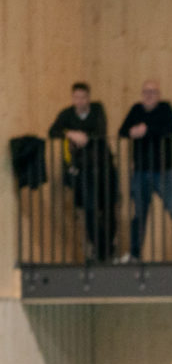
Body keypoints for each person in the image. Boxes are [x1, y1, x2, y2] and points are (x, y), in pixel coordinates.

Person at [117, 80, 172, 263]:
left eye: (152, 92)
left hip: (162, 171)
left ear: (159, 94)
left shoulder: (165, 109)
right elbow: (122, 131)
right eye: (145, 92)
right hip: (140, 172)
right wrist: (133, 131)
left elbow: (171, 129)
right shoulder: (136, 110)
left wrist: (147, 130)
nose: (148, 95)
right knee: (139, 214)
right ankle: (135, 254)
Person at [48, 82, 118, 261]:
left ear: (88, 97)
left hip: (104, 167)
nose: (79, 101)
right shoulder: (67, 114)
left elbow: (98, 131)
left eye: (83, 97)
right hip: (84, 169)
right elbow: (52, 131)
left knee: (108, 208)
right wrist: (70, 134)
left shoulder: (97, 110)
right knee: (89, 209)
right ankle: (101, 250)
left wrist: (83, 136)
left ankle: (108, 247)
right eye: (76, 97)